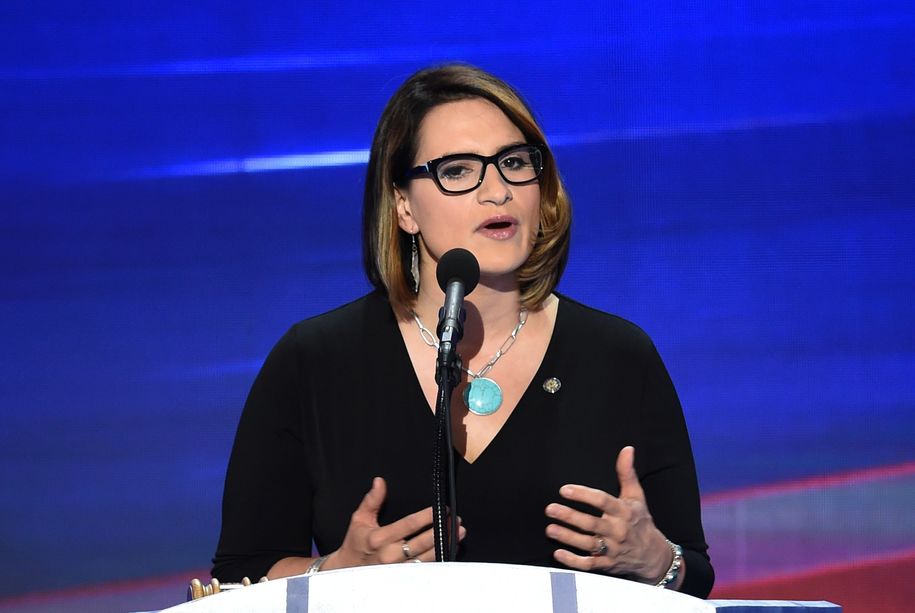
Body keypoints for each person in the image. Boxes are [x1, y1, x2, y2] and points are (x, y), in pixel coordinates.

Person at [212, 63, 714, 598]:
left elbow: (693, 572)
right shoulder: (315, 361)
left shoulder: (617, 357)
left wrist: (658, 558)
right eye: (457, 171)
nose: (497, 190)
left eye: (515, 163)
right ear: (404, 205)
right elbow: (238, 574)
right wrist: (333, 574)